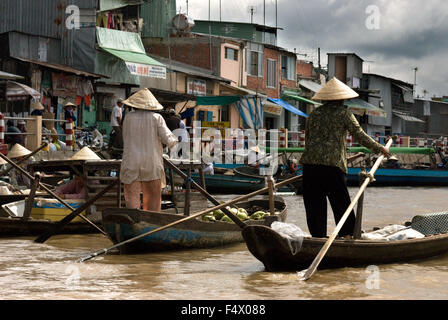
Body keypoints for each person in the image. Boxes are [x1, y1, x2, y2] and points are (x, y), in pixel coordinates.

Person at [300, 77, 390, 239]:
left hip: (310, 166)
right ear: (341, 99)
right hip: (332, 166)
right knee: (341, 203)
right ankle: (348, 235)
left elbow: (309, 138)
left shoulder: (313, 114)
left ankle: (318, 237)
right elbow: (359, 135)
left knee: (314, 205)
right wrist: (380, 148)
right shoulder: (344, 114)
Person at [120, 89, 178, 212]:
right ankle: (152, 223)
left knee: (131, 197)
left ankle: (133, 222)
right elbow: (169, 139)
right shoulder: (156, 118)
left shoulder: (128, 118)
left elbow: (125, 138)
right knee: (153, 197)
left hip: (131, 162)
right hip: (151, 163)